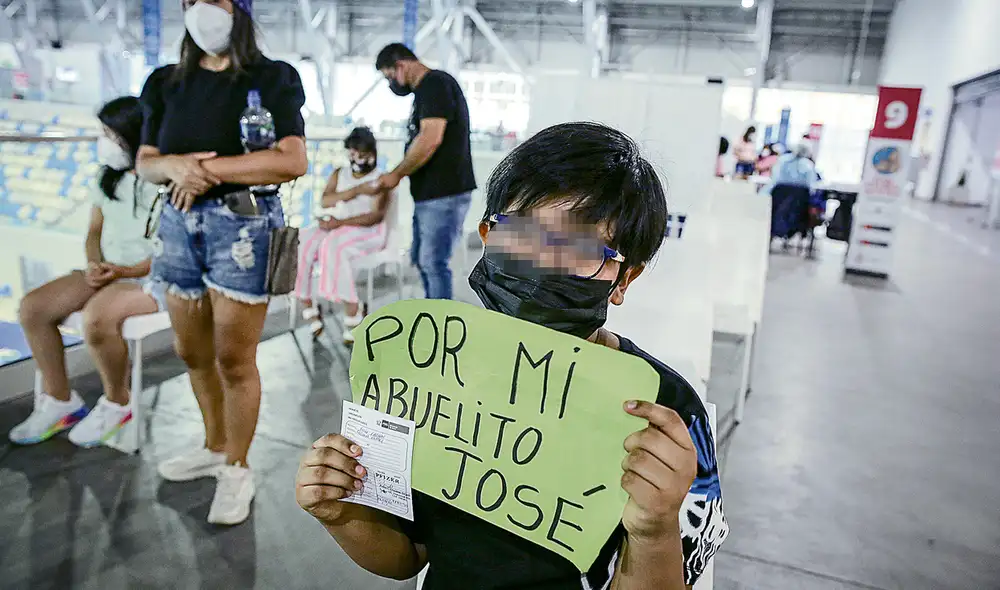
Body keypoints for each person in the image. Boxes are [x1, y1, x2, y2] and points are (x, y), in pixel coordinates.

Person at [295, 122, 729, 589]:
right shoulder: (425, 371)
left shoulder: (666, 416)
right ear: (487, 236)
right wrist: (339, 512)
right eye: (522, 231)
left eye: (581, 245)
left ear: (624, 279)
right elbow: (406, 555)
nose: (543, 260)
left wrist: (654, 530)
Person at [135, 0, 307, 525]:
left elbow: (291, 159)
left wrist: (208, 172)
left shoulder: (273, 78)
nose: (202, 10)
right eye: (191, 1)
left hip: (245, 227)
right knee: (190, 351)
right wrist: (178, 166)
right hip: (176, 224)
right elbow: (146, 162)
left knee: (235, 359)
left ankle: (237, 466)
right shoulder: (164, 82)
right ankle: (213, 445)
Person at [9, 96, 165, 447]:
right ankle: (60, 400)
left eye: (111, 134)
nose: (104, 142)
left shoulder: (164, 181)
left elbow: (171, 252)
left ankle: (118, 401)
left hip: (149, 276)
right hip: (108, 271)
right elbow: (94, 231)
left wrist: (124, 271)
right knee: (33, 308)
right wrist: (95, 264)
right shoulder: (106, 179)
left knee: (97, 318)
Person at [373, 43, 476, 300]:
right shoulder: (426, 91)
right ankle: (433, 313)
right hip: (431, 195)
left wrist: (396, 174)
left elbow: (429, 138)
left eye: (389, 76)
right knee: (422, 259)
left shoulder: (435, 84)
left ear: (401, 65)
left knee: (433, 263)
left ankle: (440, 326)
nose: (391, 83)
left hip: (444, 195)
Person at [294, 126, 395, 342]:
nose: (357, 157)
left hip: (368, 231)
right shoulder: (340, 173)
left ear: (372, 152)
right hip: (340, 226)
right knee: (303, 241)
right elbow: (326, 200)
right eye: (353, 152)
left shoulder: (381, 180)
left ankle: (352, 308)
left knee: (333, 245)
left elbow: (375, 216)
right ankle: (306, 301)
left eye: (362, 153)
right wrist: (357, 191)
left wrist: (340, 221)